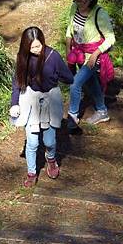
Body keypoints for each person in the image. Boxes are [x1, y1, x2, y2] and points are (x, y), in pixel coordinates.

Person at [10, 27, 74, 187]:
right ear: (25, 47)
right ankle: (32, 172)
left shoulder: (53, 56)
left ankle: (50, 159)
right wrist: (14, 103)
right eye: (31, 47)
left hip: (50, 99)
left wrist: (58, 75)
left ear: (43, 42)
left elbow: (69, 78)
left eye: (38, 46)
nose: (36, 50)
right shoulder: (22, 58)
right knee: (32, 143)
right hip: (30, 99)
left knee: (50, 141)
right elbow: (17, 82)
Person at [66, 0, 115, 129]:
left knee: (75, 83)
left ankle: (72, 116)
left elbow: (111, 38)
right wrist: (68, 47)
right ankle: (102, 111)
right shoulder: (74, 7)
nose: (78, 3)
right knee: (91, 82)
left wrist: (96, 54)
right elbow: (70, 28)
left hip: (94, 57)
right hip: (78, 53)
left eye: (82, 1)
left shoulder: (100, 14)